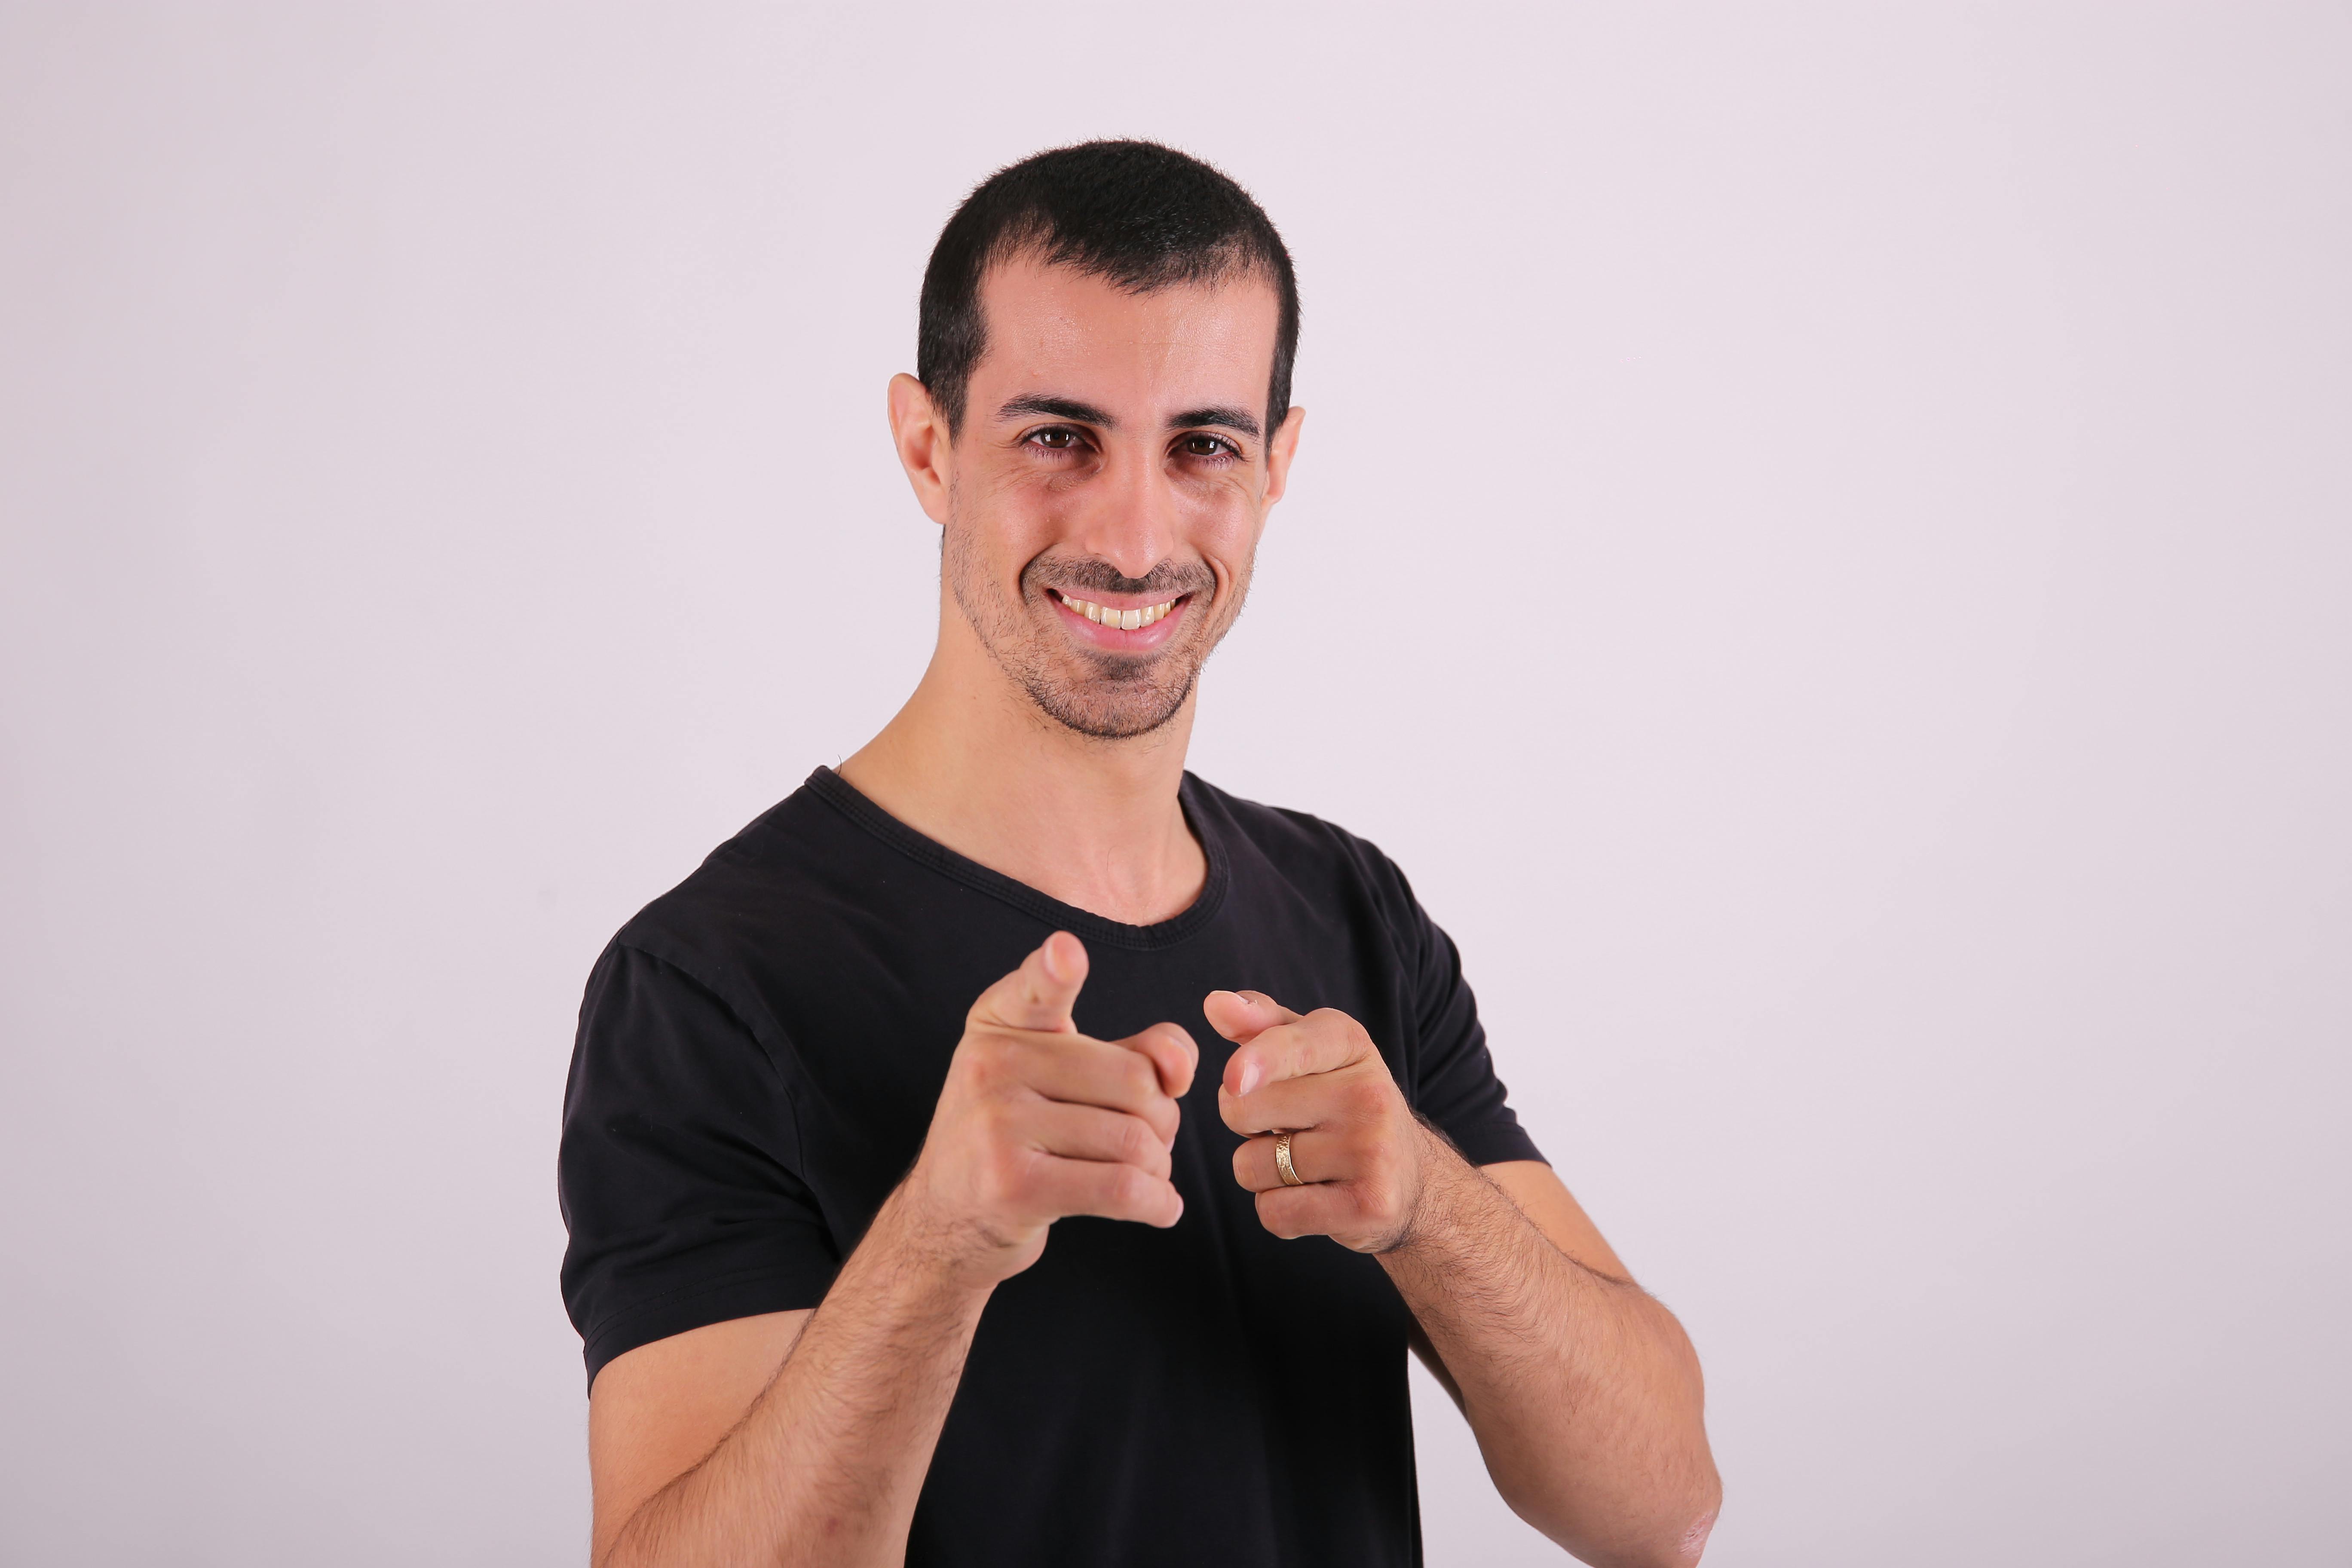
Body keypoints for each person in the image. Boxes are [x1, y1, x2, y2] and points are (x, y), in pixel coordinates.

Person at [559, 139, 1720, 1568]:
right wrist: (935, 1248)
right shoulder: (708, 982)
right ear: (928, 447)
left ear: (1278, 467)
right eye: (1059, 437)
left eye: (1203, 447)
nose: (1133, 533)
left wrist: (1427, 1206)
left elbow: (1664, 1507)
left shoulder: (1350, 913)